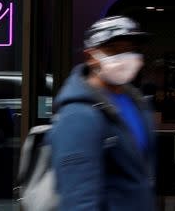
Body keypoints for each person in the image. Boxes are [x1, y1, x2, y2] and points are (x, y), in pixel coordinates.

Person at [50, 16, 156, 211]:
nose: (125, 57)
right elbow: (79, 199)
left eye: (130, 50)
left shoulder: (135, 101)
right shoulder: (78, 116)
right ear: (91, 56)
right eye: (114, 50)